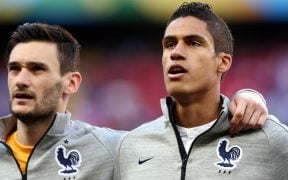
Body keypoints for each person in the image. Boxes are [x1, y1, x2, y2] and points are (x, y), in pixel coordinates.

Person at [0, 22, 267, 179]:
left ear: (71, 83)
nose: (21, 79)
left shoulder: (114, 149)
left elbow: (195, 144)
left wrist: (247, 98)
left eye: (37, 69)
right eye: (14, 69)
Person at [115, 2, 288, 180]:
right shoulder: (130, 146)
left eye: (193, 43)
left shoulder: (270, 140)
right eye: (169, 44)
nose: (176, 52)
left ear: (223, 62)